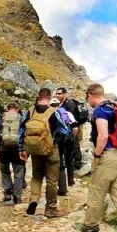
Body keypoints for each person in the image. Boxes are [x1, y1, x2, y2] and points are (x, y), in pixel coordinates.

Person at [73, 83, 117, 232]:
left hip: (109, 155)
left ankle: (90, 224)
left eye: (87, 98)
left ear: (90, 95)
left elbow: (103, 136)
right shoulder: (113, 106)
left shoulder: (101, 110)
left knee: (97, 189)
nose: (87, 101)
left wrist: (96, 156)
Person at [18, 88, 69, 218]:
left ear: (39, 97)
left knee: (36, 175)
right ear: (50, 97)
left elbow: (21, 130)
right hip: (51, 150)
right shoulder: (54, 112)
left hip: (35, 150)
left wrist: (21, 149)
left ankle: (34, 199)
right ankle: (50, 209)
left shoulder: (30, 111)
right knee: (52, 180)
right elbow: (65, 130)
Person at [0, 102, 25, 204]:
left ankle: (7, 193)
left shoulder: (1, 118)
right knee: (18, 173)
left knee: (5, 171)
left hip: (3, 149)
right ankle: (17, 197)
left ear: (7, 109)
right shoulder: (21, 118)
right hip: (17, 149)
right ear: (17, 108)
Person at [56, 87, 87, 172]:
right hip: (65, 129)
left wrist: (75, 129)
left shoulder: (69, 104)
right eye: (57, 93)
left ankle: (77, 164)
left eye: (60, 93)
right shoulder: (61, 104)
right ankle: (69, 162)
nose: (57, 95)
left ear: (64, 94)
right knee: (68, 145)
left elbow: (73, 118)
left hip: (74, 128)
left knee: (75, 144)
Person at [51, 96, 77, 196]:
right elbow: (75, 128)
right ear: (59, 104)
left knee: (59, 163)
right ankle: (71, 181)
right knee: (69, 159)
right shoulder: (67, 113)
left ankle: (62, 188)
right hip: (67, 139)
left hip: (56, 141)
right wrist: (72, 138)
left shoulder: (50, 114)